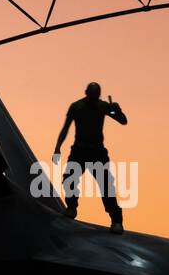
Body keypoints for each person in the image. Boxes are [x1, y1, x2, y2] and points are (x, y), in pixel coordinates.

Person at [53, 82, 128, 233]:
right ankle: (72, 207)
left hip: (97, 152)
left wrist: (116, 110)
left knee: (106, 186)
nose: (94, 99)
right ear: (87, 93)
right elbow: (66, 127)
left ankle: (116, 220)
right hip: (80, 150)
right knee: (69, 179)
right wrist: (57, 147)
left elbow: (122, 121)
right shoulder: (77, 106)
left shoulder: (102, 106)